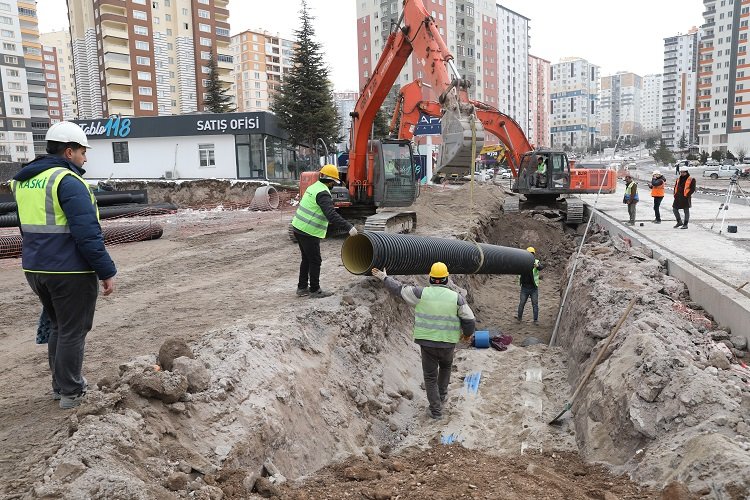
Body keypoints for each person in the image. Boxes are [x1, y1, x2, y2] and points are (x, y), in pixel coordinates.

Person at [10, 121, 116, 409]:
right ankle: (72, 392)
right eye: (83, 152)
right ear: (69, 152)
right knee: (73, 330)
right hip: (69, 271)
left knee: (58, 326)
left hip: (36, 269)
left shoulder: (25, 181)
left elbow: (24, 227)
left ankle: (61, 387)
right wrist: (106, 271)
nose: (85, 158)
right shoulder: (67, 181)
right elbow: (87, 233)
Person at [371, 263, 475, 420]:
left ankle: (436, 411)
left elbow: (399, 290)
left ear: (431, 278)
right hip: (448, 344)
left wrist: (385, 278)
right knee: (446, 367)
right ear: (446, 279)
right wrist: (467, 335)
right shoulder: (456, 298)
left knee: (430, 377)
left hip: (427, 344)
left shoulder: (420, 293)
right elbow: (469, 320)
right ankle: (442, 396)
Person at [291, 164, 357, 298]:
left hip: (298, 227)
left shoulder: (314, 187)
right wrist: (349, 227)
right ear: (331, 181)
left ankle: (302, 287)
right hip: (308, 231)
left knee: (307, 259)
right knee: (315, 260)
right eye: (334, 182)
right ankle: (314, 290)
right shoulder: (323, 193)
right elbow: (331, 214)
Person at [516, 247, 543, 323]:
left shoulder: (536, 262)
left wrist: (537, 266)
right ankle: (519, 318)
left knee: (535, 304)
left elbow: (541, 267)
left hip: (533, 288)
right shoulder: (522, 262)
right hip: (524, 288)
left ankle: (535, 320)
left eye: (531, 254)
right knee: (522, 303)